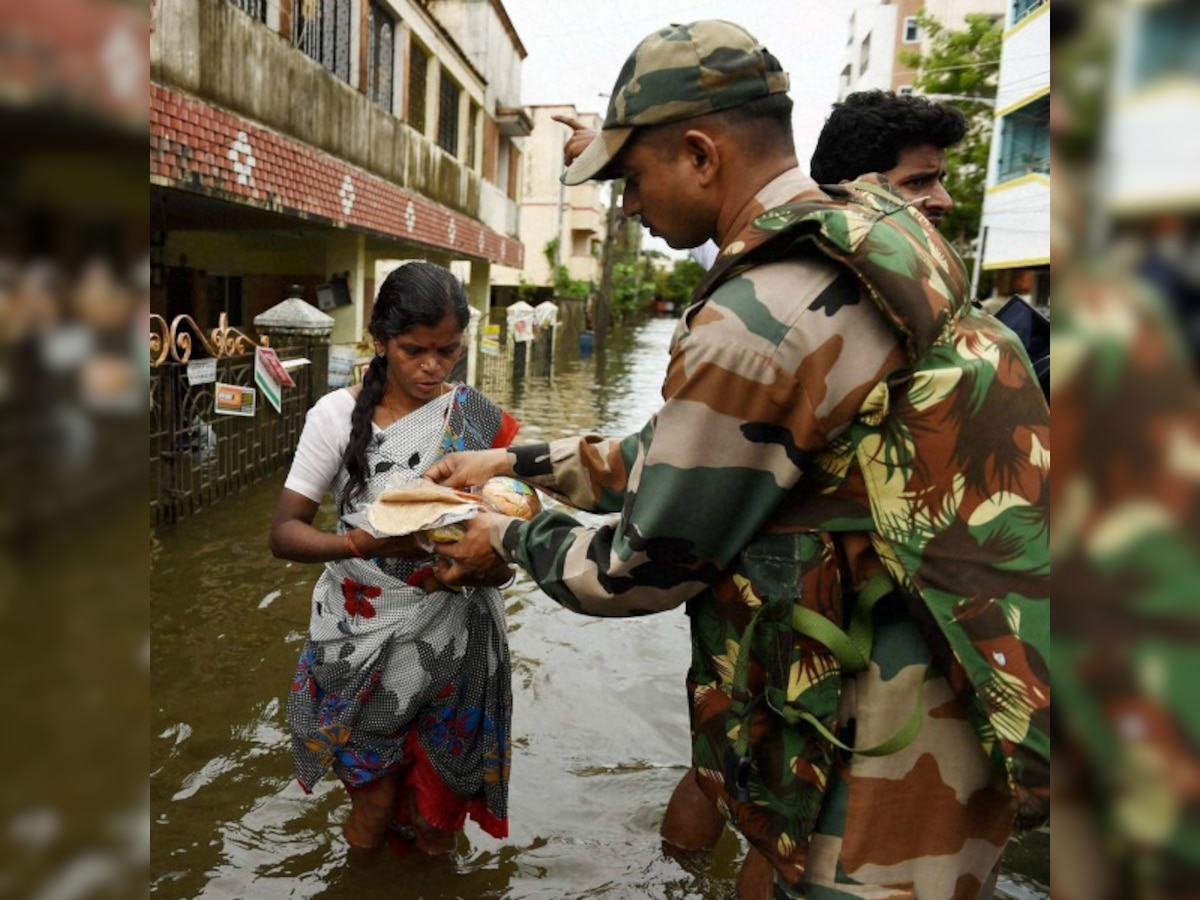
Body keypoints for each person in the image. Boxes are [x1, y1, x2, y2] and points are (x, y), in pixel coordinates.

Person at [431, 20, 1049, 900]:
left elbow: (645, 564)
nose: (632, 205)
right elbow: (703, 451)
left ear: (699, 154)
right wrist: (518, 465)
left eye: (633, 178)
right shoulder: (870, 233)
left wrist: (509, 537)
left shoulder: (761, 313)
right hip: (952, 674)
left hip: (887, 735)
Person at [269, 261, 520, 856]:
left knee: (437, 821)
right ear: (379, 342)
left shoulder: (479, 421)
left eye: (448, 351)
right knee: (375, 807)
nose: (433, 367)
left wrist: (487, 564)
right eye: (415, 350)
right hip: (361, 636)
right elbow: (284, 534)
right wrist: (363, 544)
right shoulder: (333, 417)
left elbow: (507, 548)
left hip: (455, 639)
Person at [809, 89, 967, 231]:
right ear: (849, 194)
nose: (945, 202)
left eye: (941, 180)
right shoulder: (799, 260)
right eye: (917, 182)